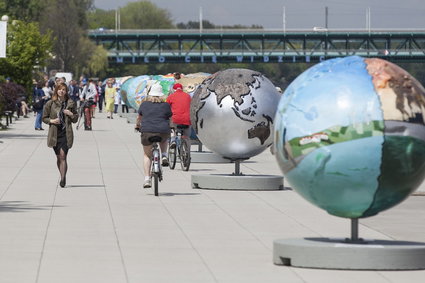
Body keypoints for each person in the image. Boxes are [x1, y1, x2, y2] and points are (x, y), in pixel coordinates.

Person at [135, 83, 172, 188]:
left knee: (147, 155)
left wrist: (137, 126)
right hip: (162, 131)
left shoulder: (144, 104)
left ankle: (147, 179)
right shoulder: (166, 105)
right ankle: (164, 155)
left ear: (150, 94)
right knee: (164, 138)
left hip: (147, 132)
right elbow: (170, 118)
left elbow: (139, 118)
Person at [42, 83, 78, 188]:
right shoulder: (50, 103)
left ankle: (63, 178)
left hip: (66, 133)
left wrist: (70, 114)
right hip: (54, 133)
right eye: (59, 89)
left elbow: (75, 119)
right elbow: (44, 118)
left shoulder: (70, 103)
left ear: (66, 91)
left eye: (63, 90)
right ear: (56, 91)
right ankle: (62, 173)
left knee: (63, 156)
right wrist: (52, 120)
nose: (61, 91)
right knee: (58, 158)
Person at [166, 83, 192, 148]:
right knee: (187, 136)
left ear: (174, 90)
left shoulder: (171, 96)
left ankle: (173, 139)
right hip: (187, 119)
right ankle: (187, 151)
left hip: (175, 119)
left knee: (172, 128)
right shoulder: (188, 96)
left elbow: (166, 108)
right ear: (182, 89)